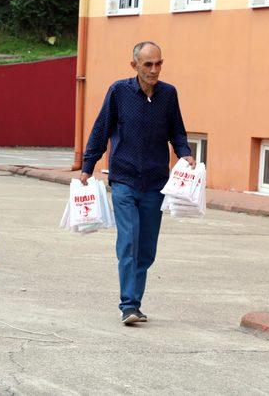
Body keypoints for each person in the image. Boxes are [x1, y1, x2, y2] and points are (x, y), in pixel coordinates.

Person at [81, 41, 195, 325]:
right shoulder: (119, 91)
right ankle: (128, 305)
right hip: (124, 180)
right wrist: (87, 166)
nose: (154, 70)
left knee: (146, 249)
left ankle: (135, 303)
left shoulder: (168, 94)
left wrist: (186, 155)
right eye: (148, 64)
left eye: (158, 64)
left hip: (156, 183)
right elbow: (101, 129)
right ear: (134, 65)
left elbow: (177, 132)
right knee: (129, 242)